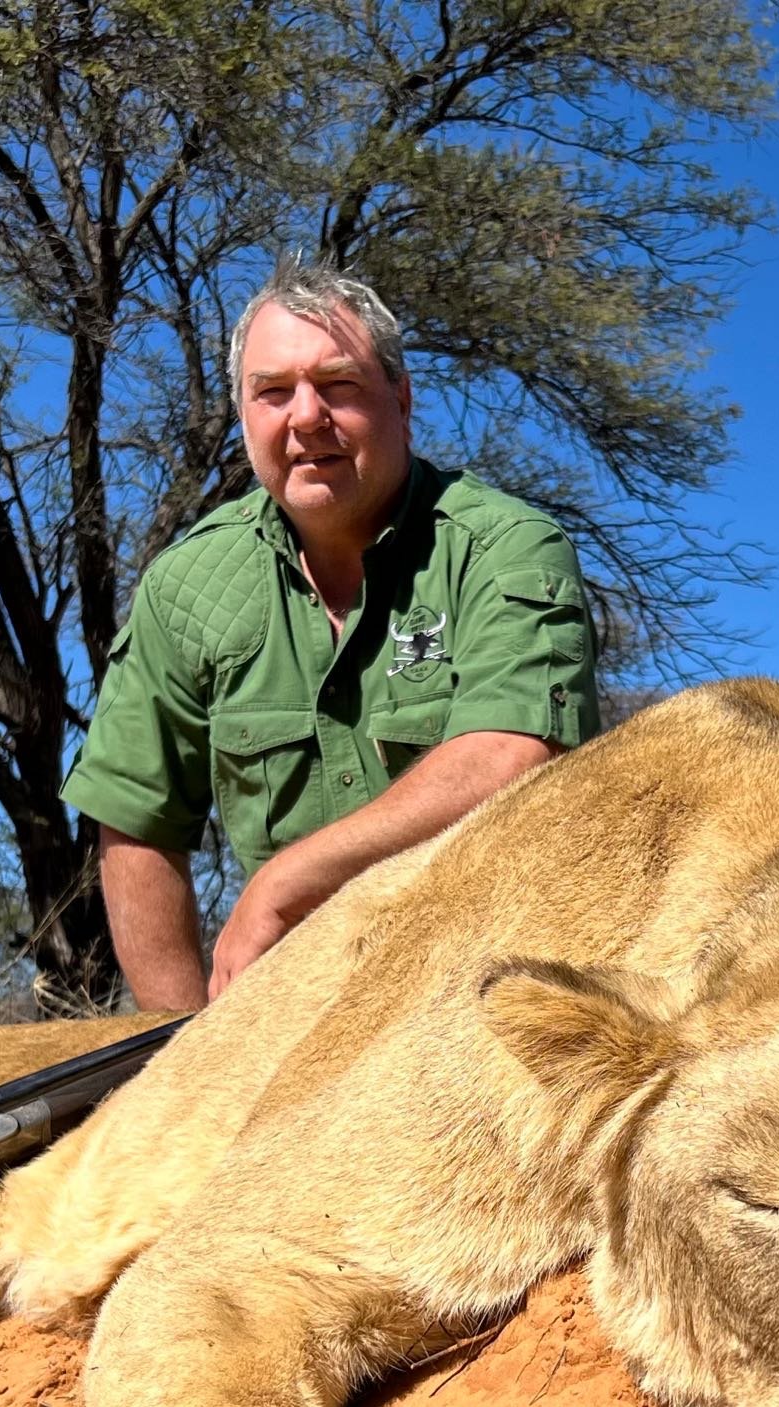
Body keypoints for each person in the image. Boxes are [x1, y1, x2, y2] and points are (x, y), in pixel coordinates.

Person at [62, 260, 601, 1009]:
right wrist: (182, 1054)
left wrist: (282, 885)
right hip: (290, 1011)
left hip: (491, 994)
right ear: (244, 416)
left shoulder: (506, 545)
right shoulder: (183, 587)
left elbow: (515, 752)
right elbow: (137, 820)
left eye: (339, 385)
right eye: (273, 392)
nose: (305, 416)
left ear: (402, 401)